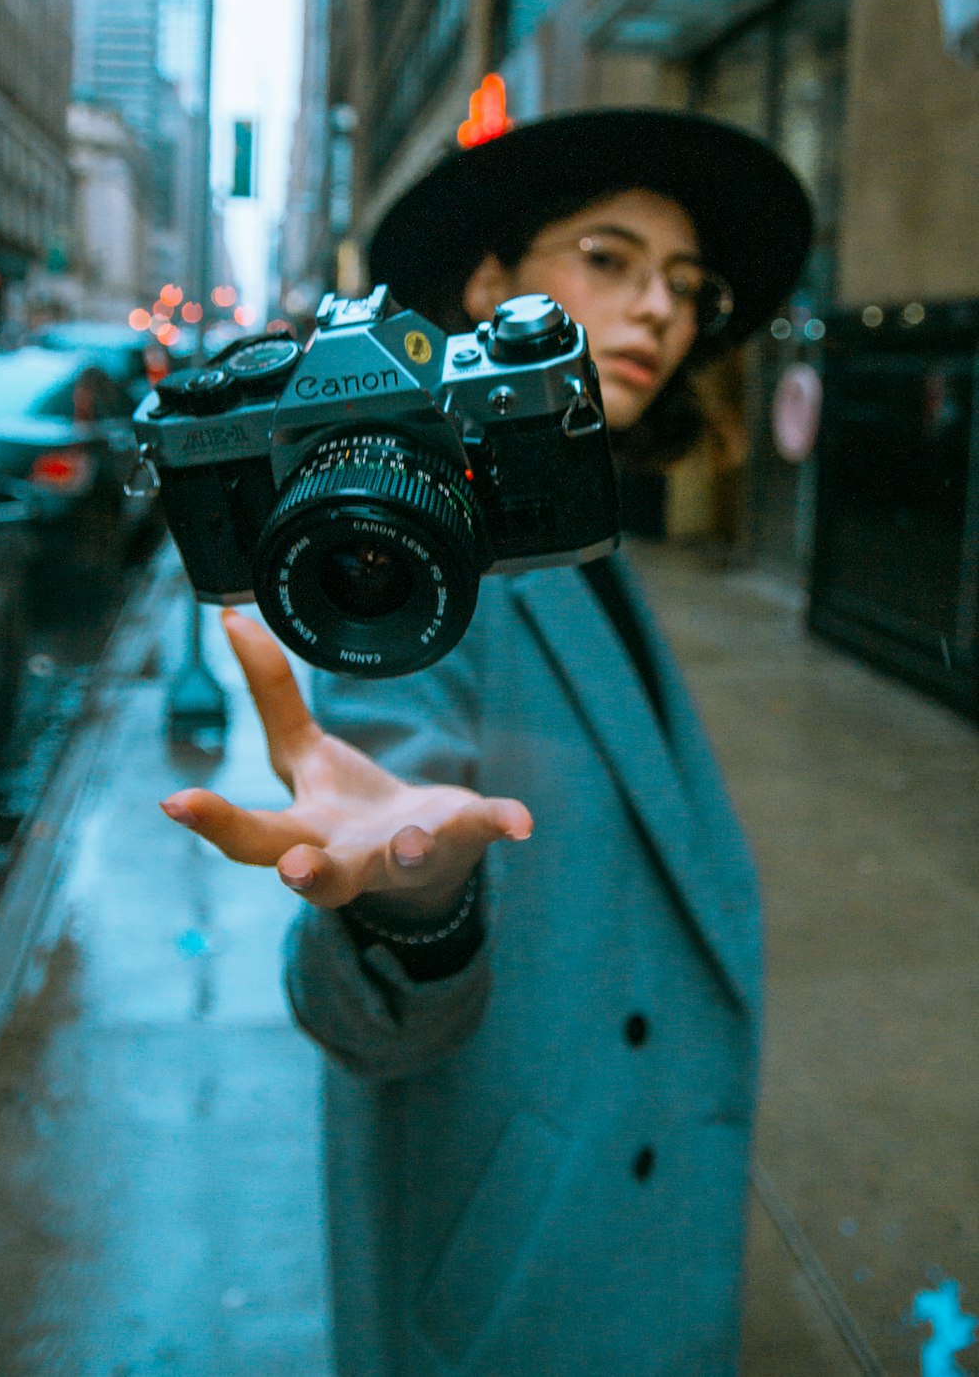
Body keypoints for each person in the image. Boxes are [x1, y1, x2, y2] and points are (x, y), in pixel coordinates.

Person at [160, 108, 812, 1376]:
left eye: (686, 285)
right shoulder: (413, 557)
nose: (659, 313)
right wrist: (410, 913)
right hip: (521, 1272)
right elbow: (370, 939)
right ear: (491, 290)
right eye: (608, 259)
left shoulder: (564, 524)